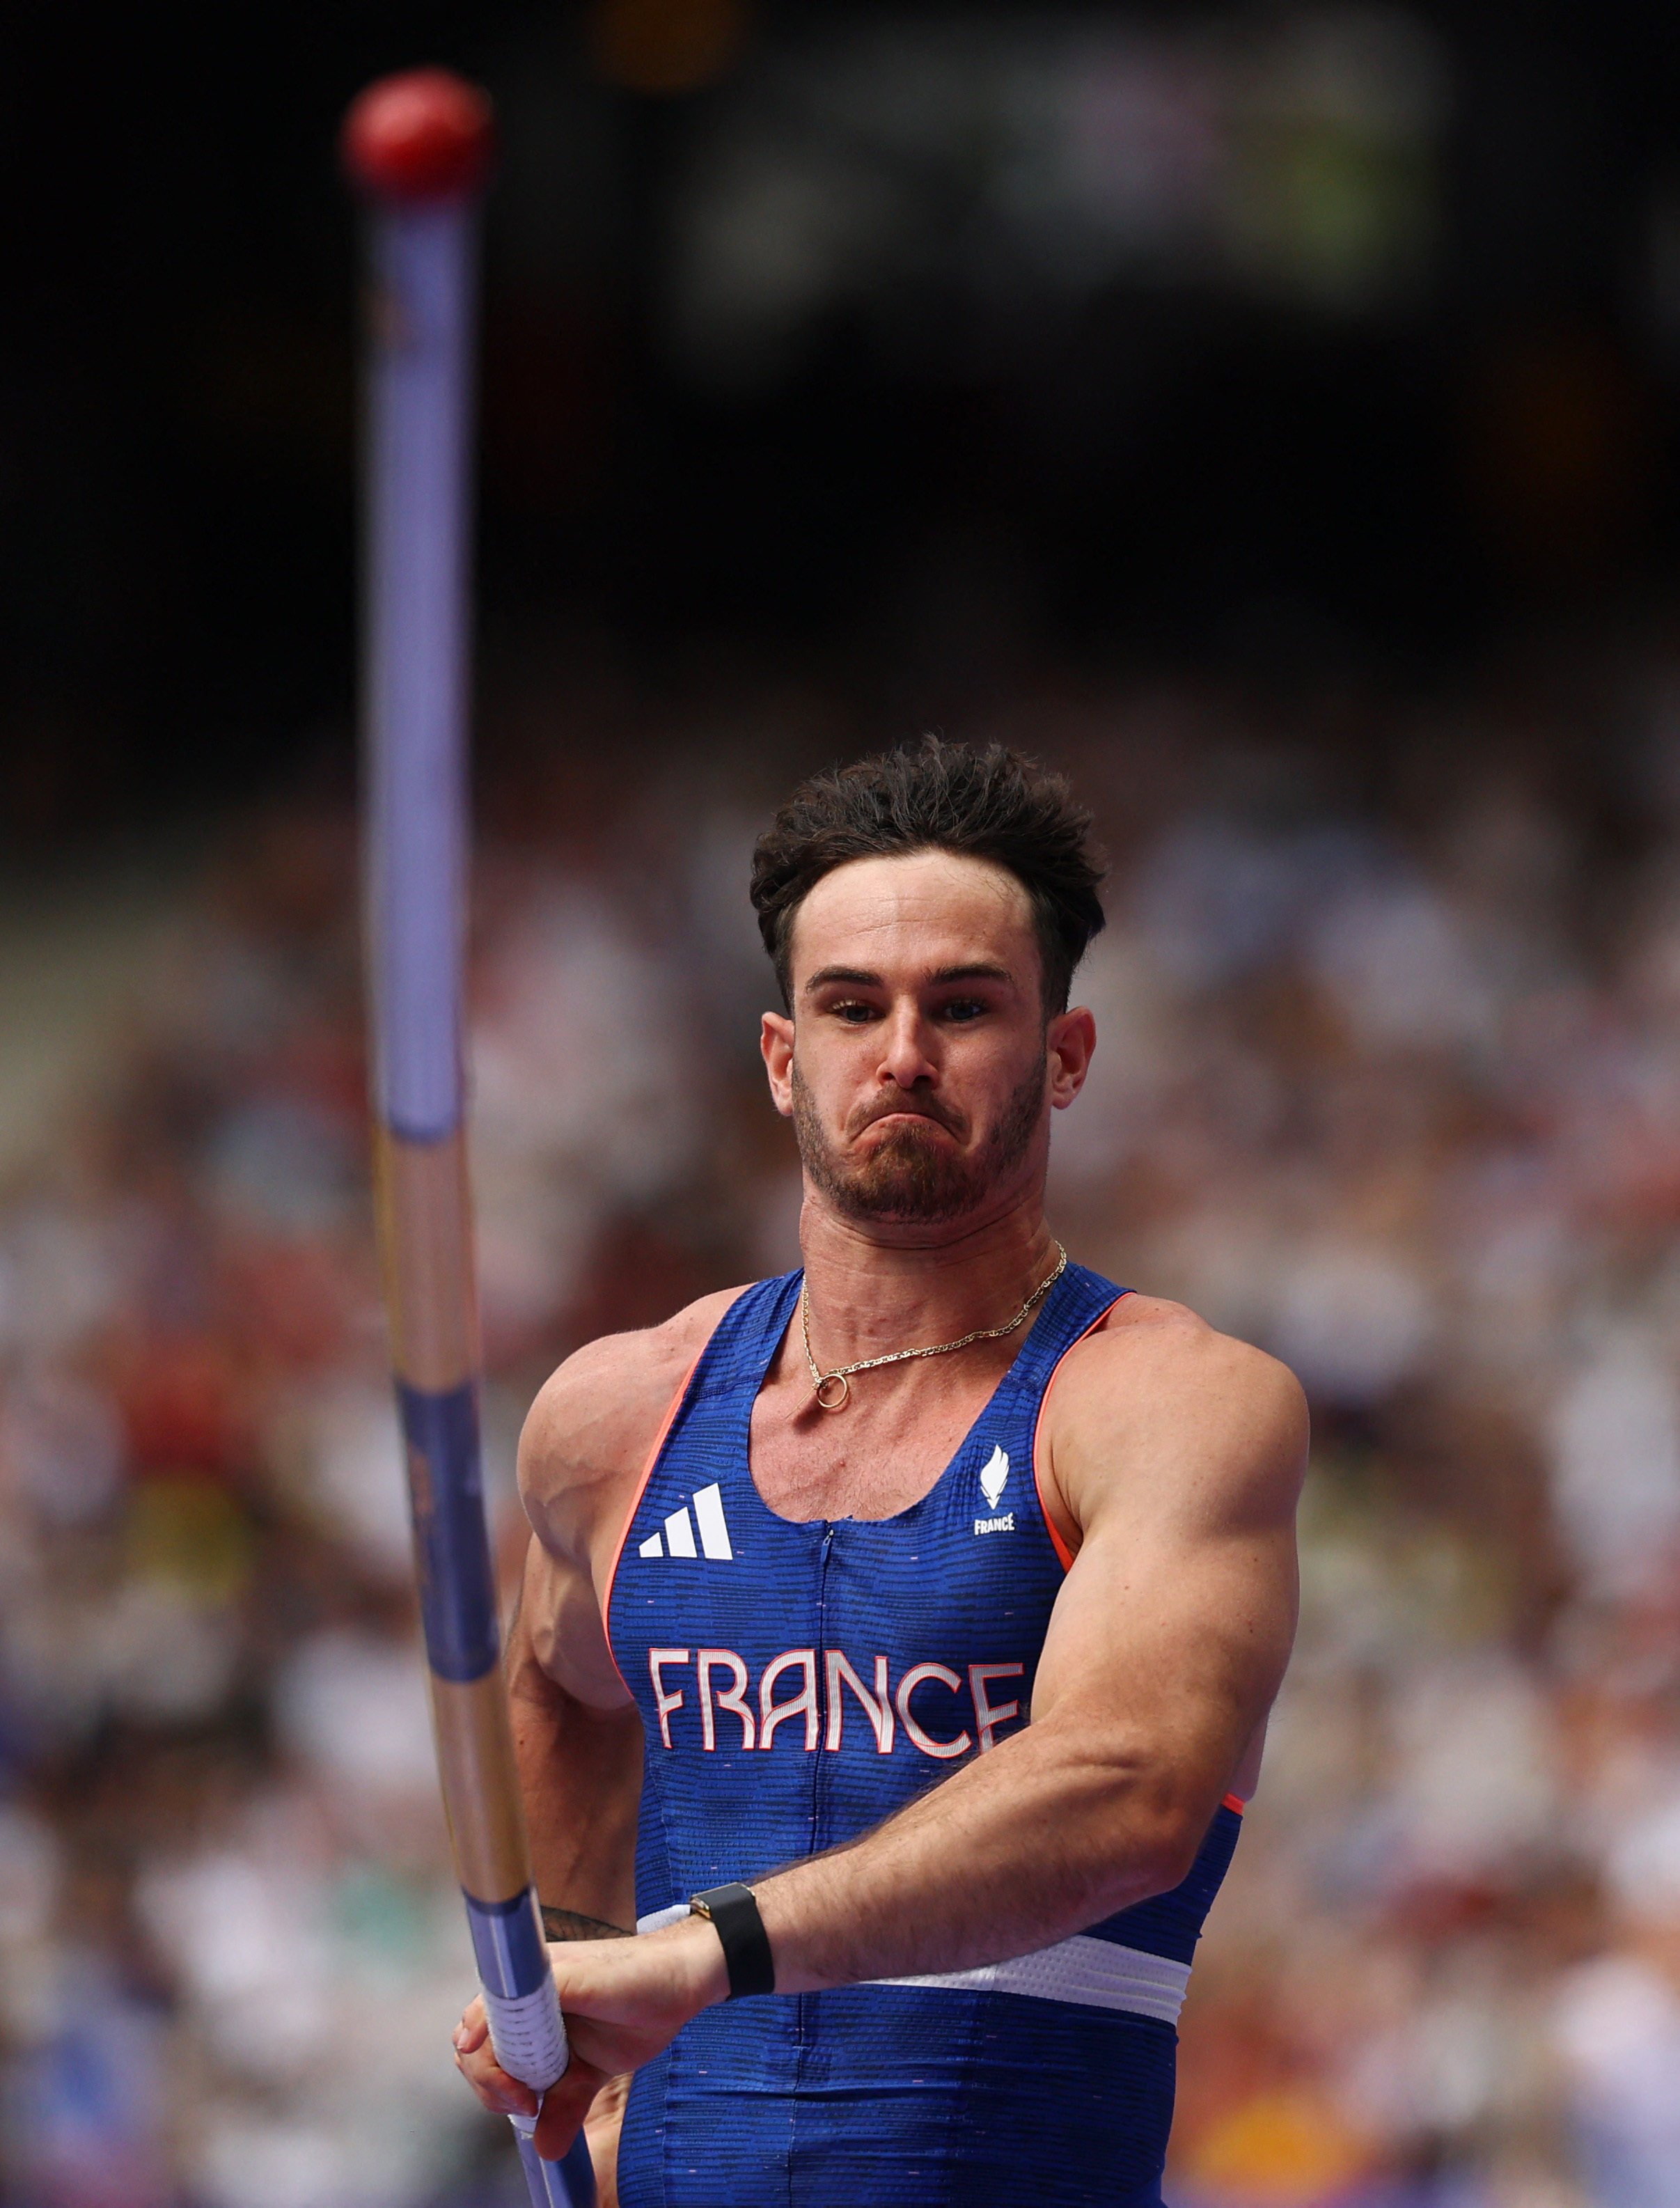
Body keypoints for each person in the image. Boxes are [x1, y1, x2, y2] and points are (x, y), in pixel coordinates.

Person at [454, 737, 1305, 2207]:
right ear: (785, 1057)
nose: (901, 1051)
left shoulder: (1162, 1401)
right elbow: (554, 1679)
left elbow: (1126, 1790)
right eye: (852, 1005)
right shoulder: (614, 1416)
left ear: (1064, 1053)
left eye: (963, 1006)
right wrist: (571, 1991)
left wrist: (696, 1954)